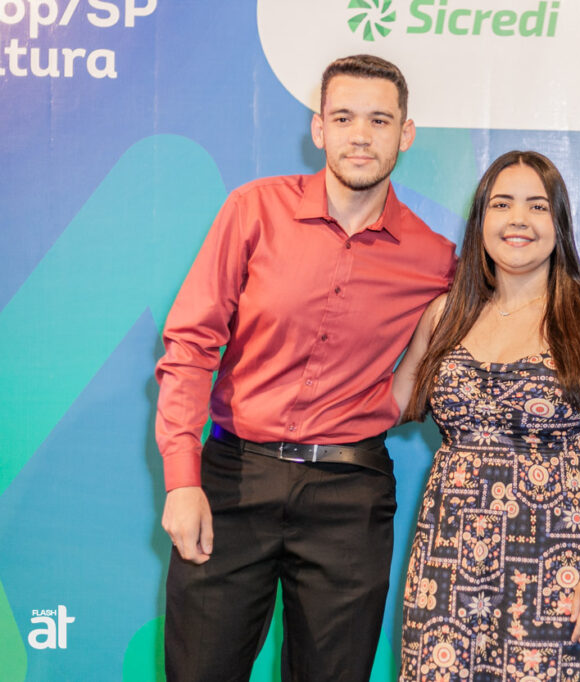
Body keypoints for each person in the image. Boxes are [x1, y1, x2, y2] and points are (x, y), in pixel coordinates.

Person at [155, 54, 456, 681]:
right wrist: (182, 480)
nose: (361, 135)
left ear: (406, 134)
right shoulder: (253, 210)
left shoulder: (434, 259)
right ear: (319, 128)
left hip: (350, 494)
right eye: (343, 117)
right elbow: (191, 344)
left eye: (379, 120)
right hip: (233, 479)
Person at [392, 151, 580, 681]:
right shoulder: (444, 316)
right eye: (502, 204)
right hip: (447, 563)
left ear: (559, 222)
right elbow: (389, 404)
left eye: (538, 206)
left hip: (559, 565)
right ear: (481, 219)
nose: (519, 220)